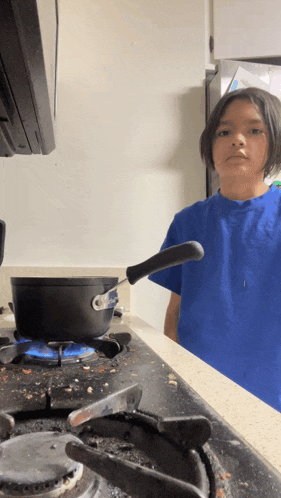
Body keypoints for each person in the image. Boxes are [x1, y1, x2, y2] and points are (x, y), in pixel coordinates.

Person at [148, 87, 281, 412]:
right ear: (210, 144)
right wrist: (174, 374)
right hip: (200, 394)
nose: (237, 139)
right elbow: (174, 313)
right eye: (224, 131)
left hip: (272, 398)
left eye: (254, 130)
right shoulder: (187, 222)